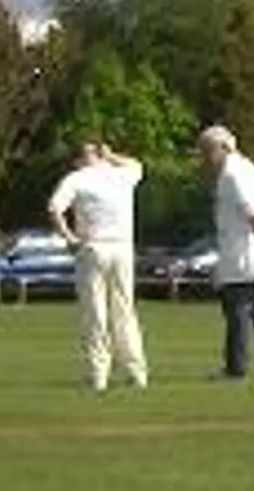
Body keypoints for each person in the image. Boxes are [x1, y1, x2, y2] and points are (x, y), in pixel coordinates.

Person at [46, 141, 148, 392]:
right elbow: (137, 164)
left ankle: (99, 375)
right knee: (125, 312)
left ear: (79, 159)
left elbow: (54, 208)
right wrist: (112, 154)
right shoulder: (123, 174)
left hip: (93, 248)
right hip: (123, 248)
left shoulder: (76, 178)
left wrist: (69, 237)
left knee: (95, 314)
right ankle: (136, 373)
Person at [196, 124, 254, 381]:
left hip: (242, 256)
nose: (205, 158)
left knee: (239, 314)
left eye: (208, 151)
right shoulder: (248, 168)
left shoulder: (232, 174)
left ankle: (236, 368)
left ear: (225, 147)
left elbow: (253, 211)